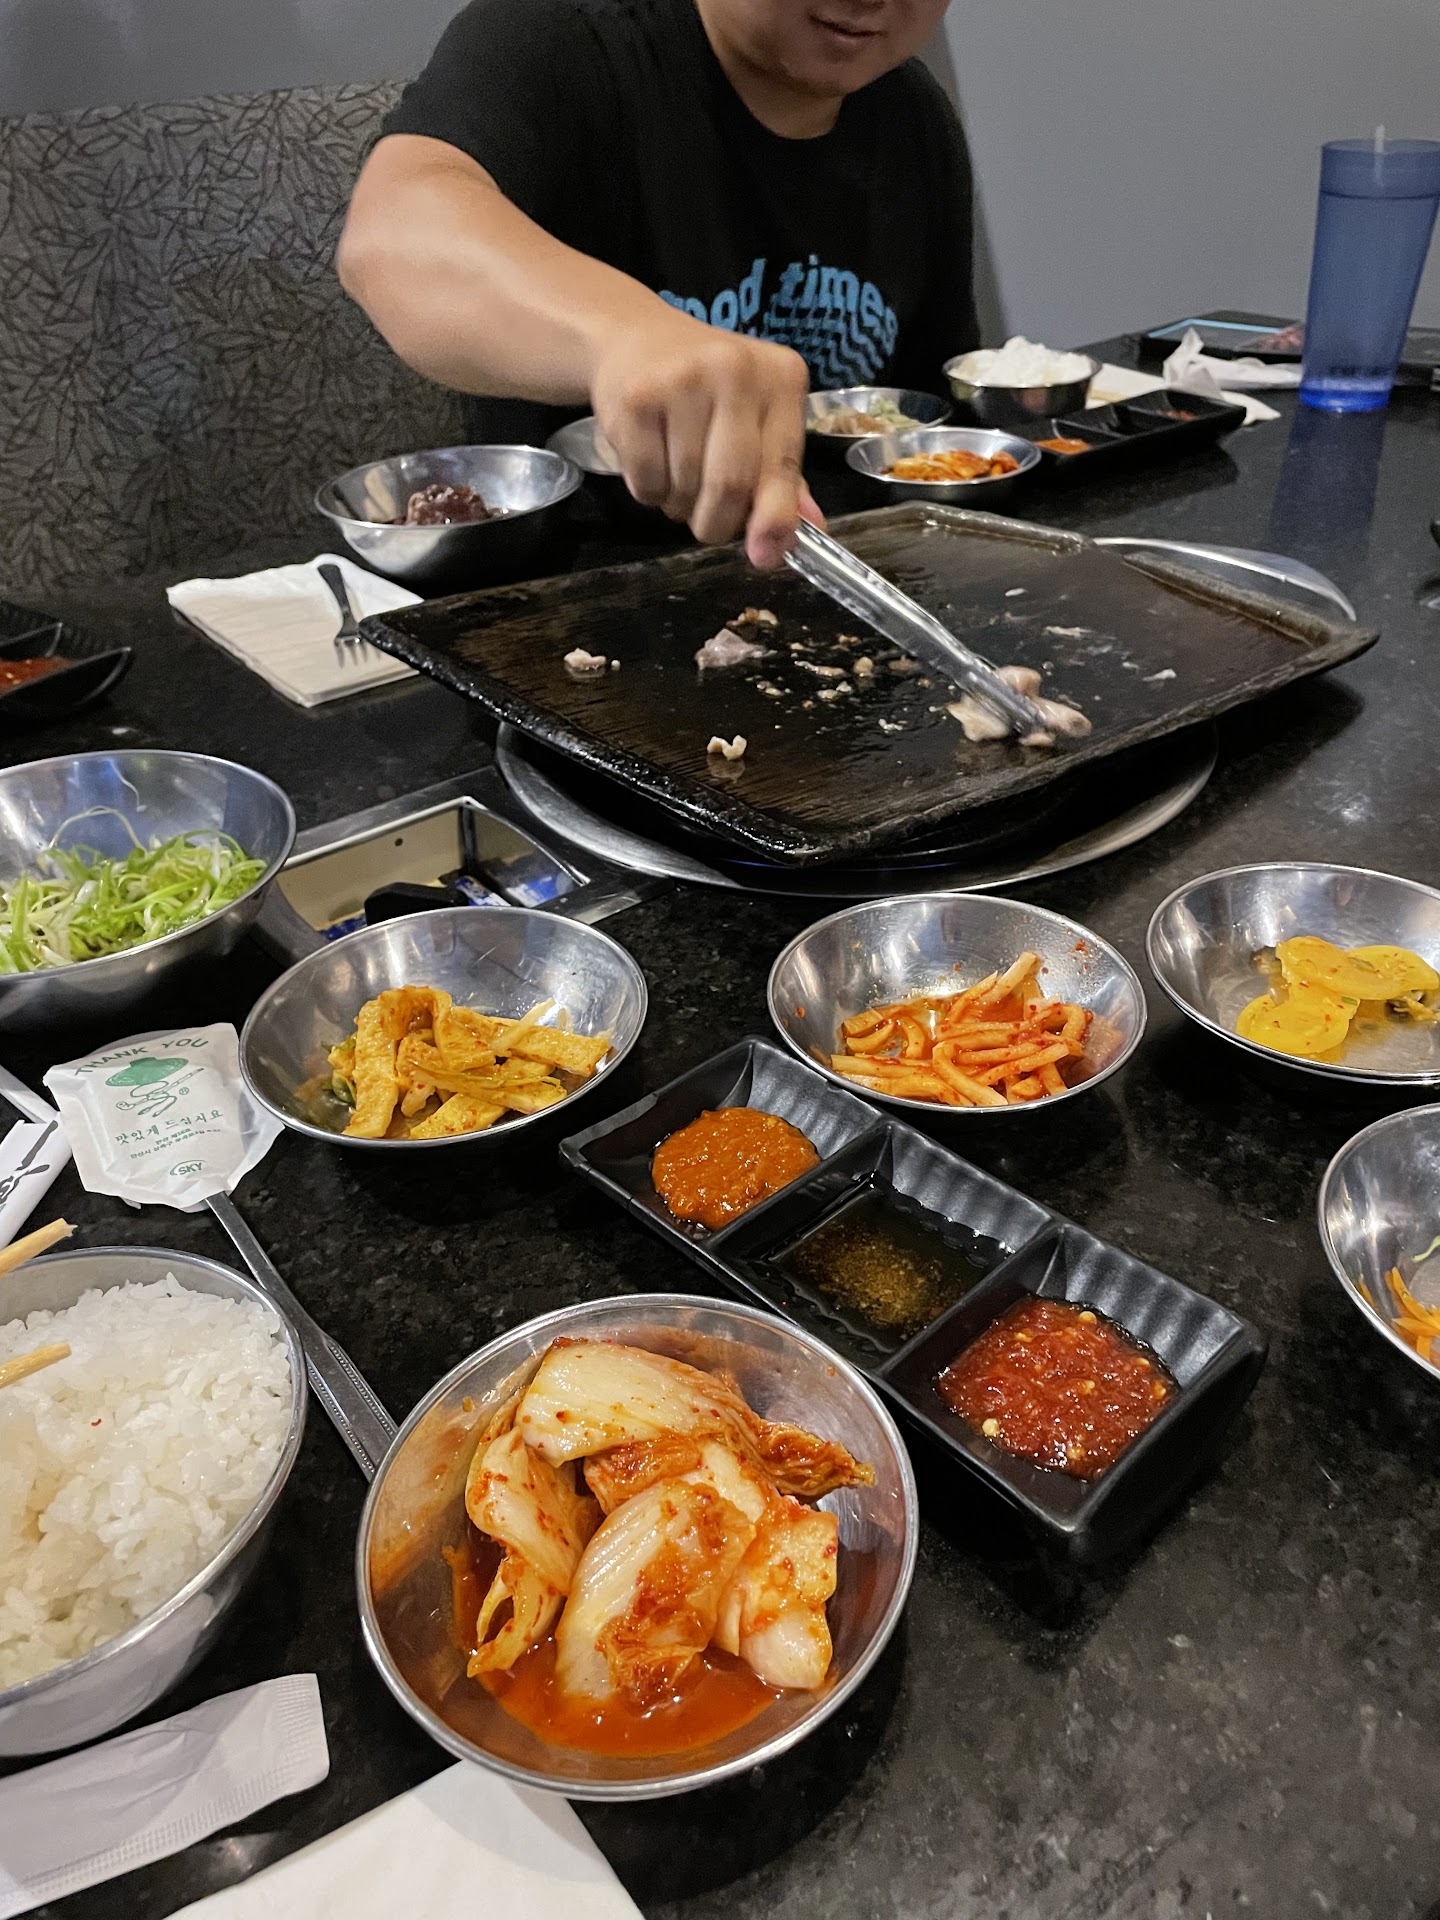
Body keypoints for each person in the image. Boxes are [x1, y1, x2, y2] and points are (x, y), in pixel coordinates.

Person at [338, 0, 977, 566]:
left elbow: (929, 434)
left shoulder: (912, 115)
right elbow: (392, 233)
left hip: (844, 585)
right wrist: (626, 336)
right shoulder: (562, 40)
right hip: (577, 601)